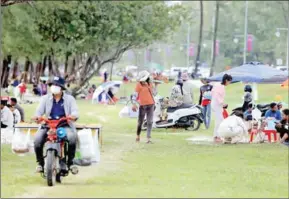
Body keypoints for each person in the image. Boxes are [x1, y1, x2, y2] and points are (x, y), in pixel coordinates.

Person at [33, 76, 79, 173]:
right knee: (37, 139)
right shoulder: (45, 98)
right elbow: (38, 111)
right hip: (48, 124)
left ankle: (71, 163)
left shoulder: (70, 99)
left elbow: (75, 111)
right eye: (52, 85)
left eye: (56, 85)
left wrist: (73, 116)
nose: (54, 87)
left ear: (61, 87)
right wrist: (37, 117)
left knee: (72, 138)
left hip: (64, 124)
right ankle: (40, 163)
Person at [132, 71, 155, 144]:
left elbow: (154, 93)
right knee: (140, 122)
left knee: (150, 122)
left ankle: (148, 138)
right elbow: (135, 95)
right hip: (142, 106)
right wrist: (134, 104)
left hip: (151, 104)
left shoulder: (150, 84)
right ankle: (138, 135)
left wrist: (156, 86)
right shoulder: (138, 85)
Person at [211, 74, 232, 143]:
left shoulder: (218, 85)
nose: (229, 83)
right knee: (219, 121)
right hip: (217, 105)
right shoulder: (220, 86)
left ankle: (218, 136)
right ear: (226, 80)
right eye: (229, 81)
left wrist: (222, 103)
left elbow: (214, 93)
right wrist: (222, 103)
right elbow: (217, 96)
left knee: (221, 120)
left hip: (217, 104)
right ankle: (216, 137)